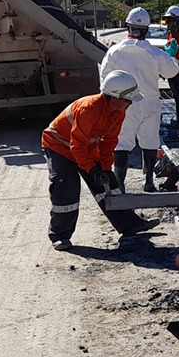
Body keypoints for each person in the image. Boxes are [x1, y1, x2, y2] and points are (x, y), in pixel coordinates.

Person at [41, 70, 157, 251]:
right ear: (114, 97)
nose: (130, 104)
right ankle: (60, 235)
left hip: (83, 147)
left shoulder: (118, 112)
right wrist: (91, 170)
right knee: (66, 188)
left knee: (108, 183)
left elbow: (109, 142)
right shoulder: (89, 109)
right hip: (59, 148)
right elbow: (76, 145)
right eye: (128, 99)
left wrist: (104, 168)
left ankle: (129, 225)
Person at [98, 7, 179, 191]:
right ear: (146, 30)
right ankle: (148, 182)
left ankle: (119, 184)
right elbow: (171, 71)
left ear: (128, 27)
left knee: (122, 142)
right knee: (149, 142)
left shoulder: (114, 51)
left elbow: (104, 79)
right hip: (150, 103)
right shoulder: (153, 52)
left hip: (124, 103)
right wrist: (171, 55)